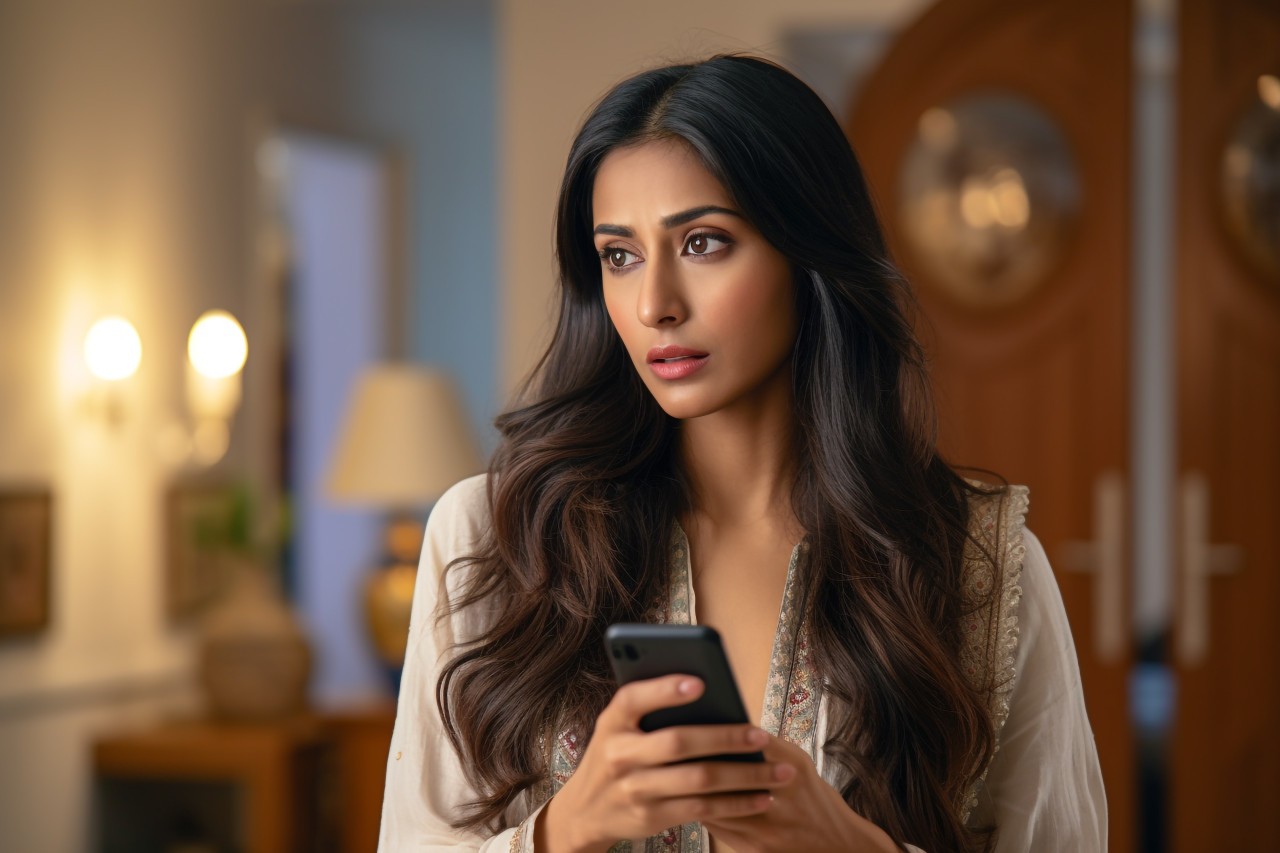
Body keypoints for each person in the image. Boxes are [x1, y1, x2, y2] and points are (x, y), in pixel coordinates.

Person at [377, 54, 1106, 853]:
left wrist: (849, 846)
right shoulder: (494, 540)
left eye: (703, 242)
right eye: (619, 255)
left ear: (807, 254)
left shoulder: (978, 565)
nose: (655, 304)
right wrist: (566, 829)